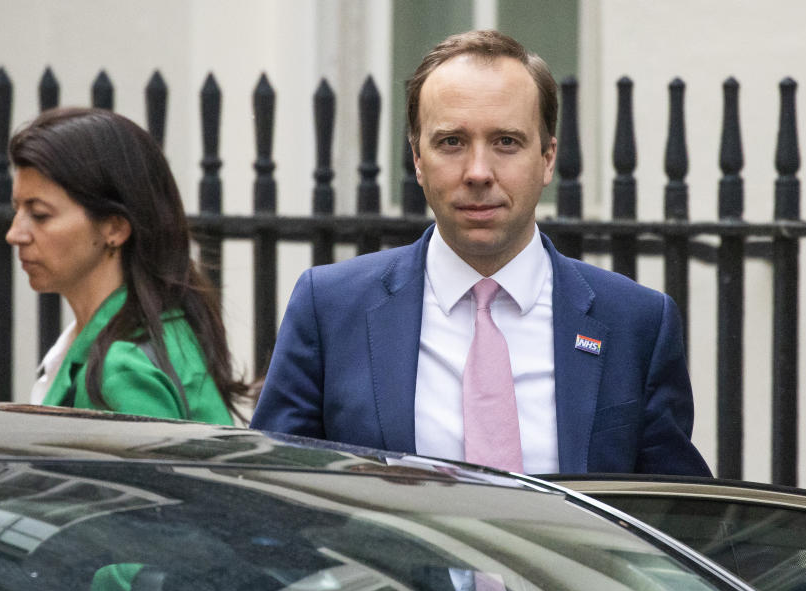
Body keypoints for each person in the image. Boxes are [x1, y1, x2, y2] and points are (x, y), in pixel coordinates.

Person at [251, 30, 710, 476]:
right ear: (416, 158)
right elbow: (276, 496)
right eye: (451, 142)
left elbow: (676, 517)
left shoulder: (637, 323)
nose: (477, 172)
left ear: (548, 158)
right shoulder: (330, 308)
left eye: (506, 142)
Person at [7, 107, 247, 424]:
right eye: (16, 209)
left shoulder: (123, 370)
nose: (14, 234)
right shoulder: (131, 335)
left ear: (115, 228)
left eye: (40, 214)